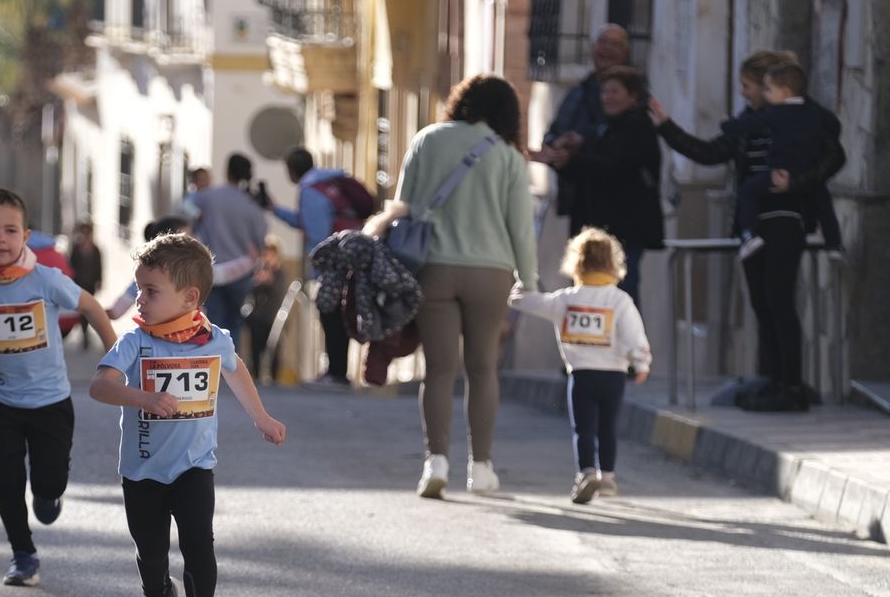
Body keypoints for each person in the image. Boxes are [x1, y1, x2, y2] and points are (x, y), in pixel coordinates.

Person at [88, 233, 286, 597]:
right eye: (138, 288)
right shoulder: (135, 342)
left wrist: (261, 418)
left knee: (199, 544)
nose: (140, 299)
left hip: (195, 466)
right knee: (152, 551)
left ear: (189, 296)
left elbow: (237, 374)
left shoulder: (214, 340)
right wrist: (143, 398)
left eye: (151, 291)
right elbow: (99, 385)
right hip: (142, 472)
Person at [648, 50, 847, 413]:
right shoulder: (748, 123)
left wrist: (796, 182)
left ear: (769, 87)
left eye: (748, 87)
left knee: (780, 299)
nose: (744, 94)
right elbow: (708, 153)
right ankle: (774, 380)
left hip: (786, 218)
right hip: (753, 224)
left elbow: (832, 159)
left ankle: (791, 384)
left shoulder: (802, 119)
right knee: (763, 304)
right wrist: (666, 126)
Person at [0, 189, 117, 587]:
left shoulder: (46, 280)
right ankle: (23, 555)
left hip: (50, 401)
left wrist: (114, 359)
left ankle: (48, 492)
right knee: (6, 479)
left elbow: (90, 307)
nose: (0, 239)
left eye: (10, 230)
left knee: (48, 481)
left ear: (26, 235)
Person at [395, 73, 537, 498]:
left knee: (438, 370)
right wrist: (528, 281)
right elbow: (521, 229)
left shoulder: (427, 140)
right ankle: (482, 468)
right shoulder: (510, 158)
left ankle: (435, 462)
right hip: (491, 272)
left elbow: (403, 204)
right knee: (482, 369)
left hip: (434, 265)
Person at [510, 228, 651, 505]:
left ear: (576, 263)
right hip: (614, 376)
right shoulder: (620, 300)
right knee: (608, 427)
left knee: (583, 429)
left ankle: (586, 473)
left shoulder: (566, 299)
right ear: (613, 263)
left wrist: (519, 288)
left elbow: (526, 301)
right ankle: (608, 478)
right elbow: (635, 335)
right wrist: (641, 362)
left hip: (581, 375)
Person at [539, 66, 664, 308]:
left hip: (626, 228)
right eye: (604, 91)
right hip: (600, 228)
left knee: (620, 296)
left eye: (615, 91)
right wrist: (561, 160)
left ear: (633, 95)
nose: (607, 97)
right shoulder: (603, 127)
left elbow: (615, 168)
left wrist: (571, 160)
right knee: (594, 298)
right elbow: (589, 168)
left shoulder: (637, 127)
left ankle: (626, 346)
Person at [269, 146, 377, 386]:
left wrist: (318, 267)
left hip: (333, 264)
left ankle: (336, 372)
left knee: (331, 314)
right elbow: (308, 221)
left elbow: (317, 232)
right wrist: (275, 209)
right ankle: (338, 370)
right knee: (342, 312)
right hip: (352, 256)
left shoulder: (310, 190)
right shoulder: (329, 182)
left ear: (292, 170)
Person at [718, 62, 844, 260]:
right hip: (808, 172)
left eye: (769, 90)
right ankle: (834, 245)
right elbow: (834, 124)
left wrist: (727, 125)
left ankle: (749, 236)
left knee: (747, 191)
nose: (766, 95)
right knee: (824, 205)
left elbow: (751, 124)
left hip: (779, 172)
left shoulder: (777, 113)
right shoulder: (815, 112)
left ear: (785, 92)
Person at [535, 25, 631, 230]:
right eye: (603, 42)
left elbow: (620, 145)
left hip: (618, 207)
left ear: (625, 52)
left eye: (615, 44)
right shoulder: (579, 92)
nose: (607, 49)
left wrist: (583, 141)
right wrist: (558, 145)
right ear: (592, 48)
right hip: (580, 202)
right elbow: (553, 134)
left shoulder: (634, 98)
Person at [191, 154, 267, 344]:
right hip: (240, 272)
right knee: (235, 323)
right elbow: (260, 238)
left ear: (227, 171)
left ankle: (215, 366)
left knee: (214, 322)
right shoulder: (251, 204)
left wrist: (198, 221)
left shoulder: (209, 196)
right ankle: (231, 367)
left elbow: (184, 206)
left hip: (212, 269)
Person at [245, 237, 286, 384]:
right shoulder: (258, 270)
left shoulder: (279, 272)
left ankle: (274, 377)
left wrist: (269, 281)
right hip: (257, 317)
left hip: (273, 316)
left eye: (269, 254)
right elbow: (251, 292)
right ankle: (256, 376)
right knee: (255, 347)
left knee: (274, 348)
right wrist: (258, 282)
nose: (266, 258)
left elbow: (280, 292)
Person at [68, 221, 105, 348]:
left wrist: (99, 281)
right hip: (79, 284)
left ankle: (86, 333)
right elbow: (71, 266)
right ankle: (85, 335)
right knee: (82, 310)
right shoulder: (76, 248)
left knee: (89, 309)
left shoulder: (95, 249)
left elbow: (99, 267)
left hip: (90, 284)